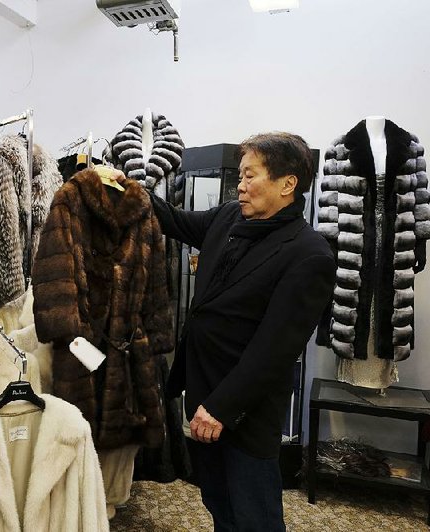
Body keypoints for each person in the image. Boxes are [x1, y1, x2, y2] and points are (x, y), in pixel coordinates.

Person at [114, 132, 336, 531]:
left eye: (251, 176)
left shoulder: (309, 254)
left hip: (245, 409)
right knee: (218, 501)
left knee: (254, 514)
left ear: (288, 184)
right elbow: (174, 221)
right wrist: (123, 187)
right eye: (241, 175)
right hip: (202, 386)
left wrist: (222, 408)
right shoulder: (230, 217)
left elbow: (275, 350)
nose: (242, 184)